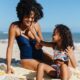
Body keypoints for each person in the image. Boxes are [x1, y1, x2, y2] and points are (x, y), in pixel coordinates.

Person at [6, 0, 52, 74]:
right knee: (48, 69)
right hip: (27, 59)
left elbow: (41, 45)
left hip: (41, 55)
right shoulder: (14, 27)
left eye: (32, 17)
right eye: (27, 17)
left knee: (58, 63)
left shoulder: (36, 25)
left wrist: (34, 34)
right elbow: (10, 48)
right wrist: (8, 67)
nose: (30, 20)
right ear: (22, 15)